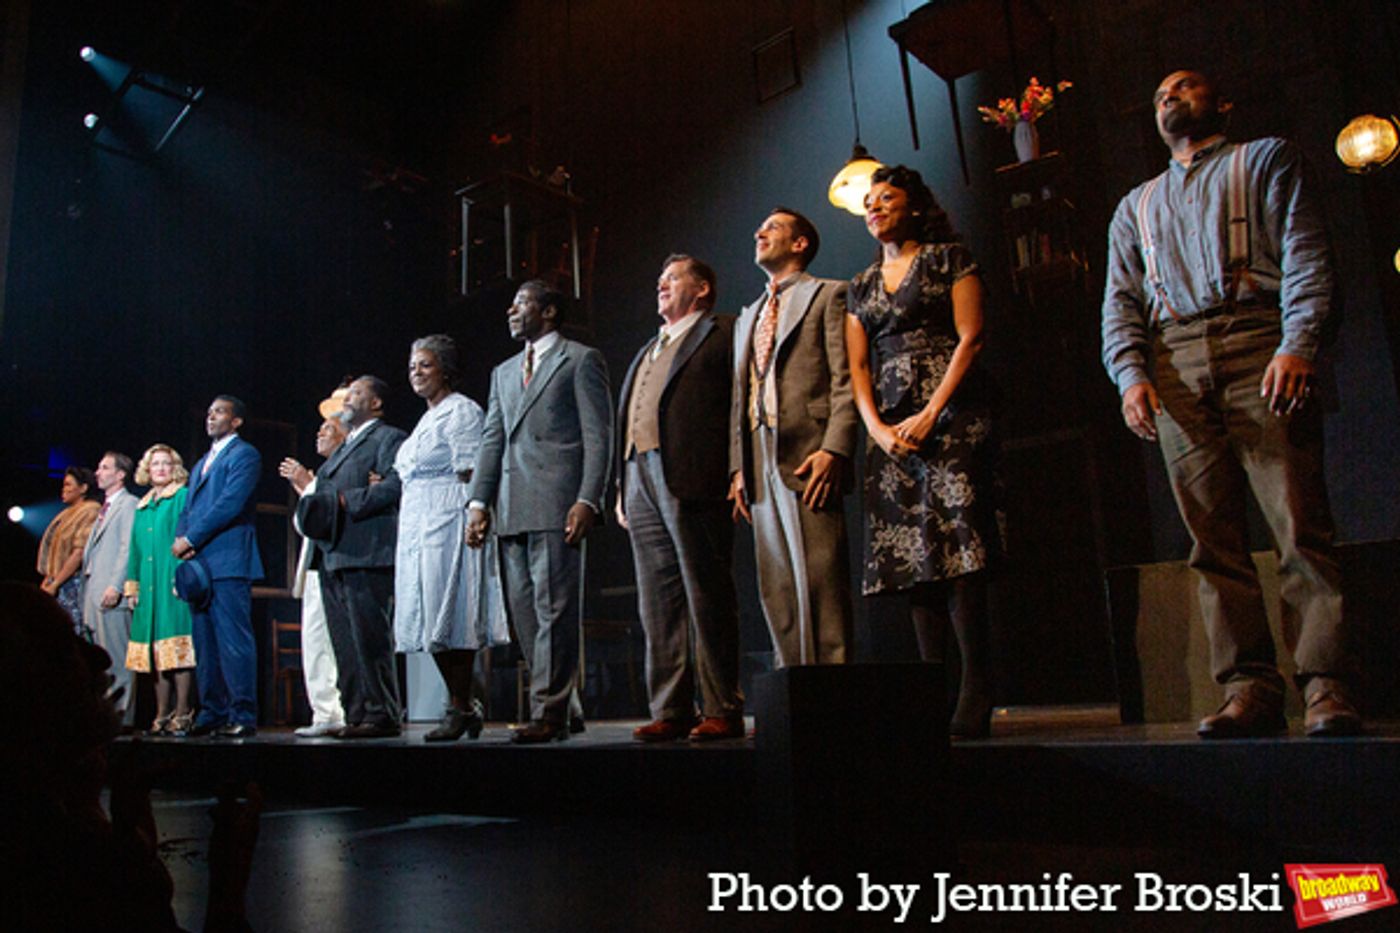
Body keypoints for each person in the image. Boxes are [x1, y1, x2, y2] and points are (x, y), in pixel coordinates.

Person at [1101, 70, 1359, 738]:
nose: (1168, 97)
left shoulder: (1266, 158)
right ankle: (1249, 686)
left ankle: (1326, 682)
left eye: (1184, 88)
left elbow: (1306, 254)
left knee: (1298, 519)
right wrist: (1130, 373)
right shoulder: (1136, 204)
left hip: (1258, 338)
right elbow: (1121, 301)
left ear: (1222, 102)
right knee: (1211, 537)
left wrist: (1299, 342)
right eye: (1159, 93)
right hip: (1175, 359)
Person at [846, 166, 1005, 739]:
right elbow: (857, 366)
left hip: (953, 414)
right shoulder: (860, 285)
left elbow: (972, 336)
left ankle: (977, 685)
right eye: (869, 202)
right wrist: (878, 428)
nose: (875, 207)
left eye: (886, 197)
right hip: (890, 427)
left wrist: (932, 411)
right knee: (914, 558)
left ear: (915, 206)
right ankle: (930, 686)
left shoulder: (949, 259)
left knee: (960, 547)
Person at [467, 280, 613, 743]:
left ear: (549, 312)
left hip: (557, 501)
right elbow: (492, 439)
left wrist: (589, 498)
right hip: (510, 507)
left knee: (555, 611)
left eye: (522, 303)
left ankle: (547, 711)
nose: (511, 310)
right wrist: (478, 501)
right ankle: (563, 706)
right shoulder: (503, 372)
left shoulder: (580, 359)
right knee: (525, 616)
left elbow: (598, 435)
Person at [616, 255, 744, 742]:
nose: (661, 285)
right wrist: (621, 487)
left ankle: (721, 705)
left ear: (703, 288)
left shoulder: (723, 331)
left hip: (693, 473)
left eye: (673, 278)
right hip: (639, 473)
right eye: (659, 279)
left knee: (705, 590)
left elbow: (738, 405)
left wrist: (737, 468)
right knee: (657, 601)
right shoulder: (649, 347)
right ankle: (671, 707)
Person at [728, 207, 858, 667]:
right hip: (759, 455)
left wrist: (835, 447)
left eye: (773, 228)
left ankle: (831, 687)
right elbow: (738, 395)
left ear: (800, 244)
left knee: (819, 577)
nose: (759, 232)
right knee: (777, 582)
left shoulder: (828, 294)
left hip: (807, 450)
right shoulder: (748, 315)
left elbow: (846, 380)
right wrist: (738, 467)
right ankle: (793, 686)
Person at [395, 335, 509, 742]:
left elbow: (473, 471)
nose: (417, 373)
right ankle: (462, 705)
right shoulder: (427, 418)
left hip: (447, 523)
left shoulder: (462, 412)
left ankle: (461, 706)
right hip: (418, 524)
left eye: (425, 365)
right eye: (412, 366)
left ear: (445, 368)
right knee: (430, 621)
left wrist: (475, 516)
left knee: (450, 617)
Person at [296, 376, 407, 738]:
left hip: (366, 552)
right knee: (343, 641)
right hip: (332, 554)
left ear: (375, 403)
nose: (348, 397)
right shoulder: (344, 447)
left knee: (369, 638)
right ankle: (356, 712)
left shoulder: (388, 438)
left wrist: (349, 499)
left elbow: (394, 484)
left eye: (357, 392)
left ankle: (382, 713)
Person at [175, 395, 264, 738]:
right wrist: (181, 537)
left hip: (228, 560)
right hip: (199, 565)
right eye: (209, 412)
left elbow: (230, 503)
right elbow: (189, 506)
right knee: (205, 642)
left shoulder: (244, 455)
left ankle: (242, 712)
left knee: (233, 640)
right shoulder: (201, 463)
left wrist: (192, 537)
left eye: (220, 412)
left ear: (236, 420)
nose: (211, 417)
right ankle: (212, 711)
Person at [280, 405, 349, 738]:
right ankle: (325, 711)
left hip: (338, 565)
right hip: (315, 569)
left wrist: (307, 487)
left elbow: (332, 516)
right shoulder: (322, 474)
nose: (320, 433)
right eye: (319, 428)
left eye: (328, 429)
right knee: (315, 641)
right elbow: (304, 525)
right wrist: (306, 489)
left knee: (337, 642)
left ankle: (344, 710)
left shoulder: (344, 471)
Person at [124, 445, 197, 736]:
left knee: (178, 648)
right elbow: (135, 550)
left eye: (167, 463)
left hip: (171, 581)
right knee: (156, 655)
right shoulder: (142, 506)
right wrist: (133, 587)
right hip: (148, 585)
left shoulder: (181, 496)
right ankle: (162, 712)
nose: (161, 469)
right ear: (147, 469)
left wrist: (184, 578)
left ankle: (184, 711)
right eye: (156, 464)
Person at [81, 451, 139, 726]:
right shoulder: (104, 507)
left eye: (105, 468)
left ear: (120, 474)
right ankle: (104, 716)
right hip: (93, 591)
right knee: (98, 661)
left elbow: (128, 547)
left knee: (117, 657)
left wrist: (116, 585)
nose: (98, 472)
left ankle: (122, 718)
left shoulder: (128, 505)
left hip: (109, 593)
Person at [36, 466, 100, 630]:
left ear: (83, 488)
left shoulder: (90, 510)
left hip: (72, 583)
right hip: (57, 581)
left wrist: (56, 583)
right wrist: (49, 578)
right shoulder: (67, 513)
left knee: (71, 629)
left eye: (68, 485)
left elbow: (79, 552)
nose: (64, 489)